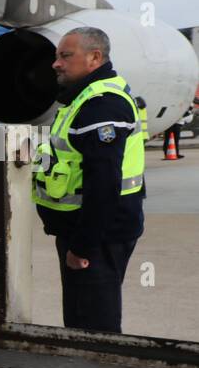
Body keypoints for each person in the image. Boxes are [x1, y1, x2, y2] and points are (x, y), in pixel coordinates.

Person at [33, 27, 146, 333]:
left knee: (93, 326)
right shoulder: (81, 100)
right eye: (57, 56)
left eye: (65, 56)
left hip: (98, 236)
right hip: (84, 231)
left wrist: (83, 247)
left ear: (95, 58)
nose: (56, 63)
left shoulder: (102, 105)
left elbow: (103, 184)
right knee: (82, 316)